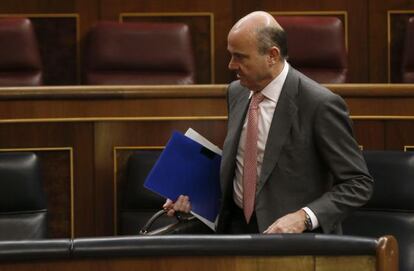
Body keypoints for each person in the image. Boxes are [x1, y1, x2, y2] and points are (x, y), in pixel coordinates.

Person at [164, 11, 374, 234]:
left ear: (272, 55)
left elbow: (358, 183)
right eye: (230, 55)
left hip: (290, 241)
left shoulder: (320, 104)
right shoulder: (236, 92)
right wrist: (194, 197)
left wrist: (304, 217)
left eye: (240, 57)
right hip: (233, 230)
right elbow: (243, 167)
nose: (231, 65)